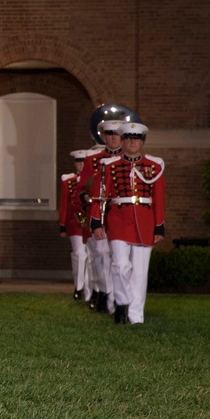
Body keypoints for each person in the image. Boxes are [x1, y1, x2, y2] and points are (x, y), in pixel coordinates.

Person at [90, 122, 165, 325]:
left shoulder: (154, 167)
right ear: (122, 141)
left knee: (140, 272)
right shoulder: (109, 166)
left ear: (142, 142)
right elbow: (99, 196)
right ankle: (122, 303)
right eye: (129, 138)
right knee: (120, 265)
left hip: (145, 222)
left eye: (137, 139)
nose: (133, 142)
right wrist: (97, 223)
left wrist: (159, 226)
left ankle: (135, 316)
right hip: (119, 220)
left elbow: (158, 198)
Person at [76, 121, 124, 313]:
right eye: (109, 134)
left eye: (117, 134)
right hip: (100, 214)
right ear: (103, 137)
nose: (113, 138)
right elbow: (80, 188)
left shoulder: (128, 160)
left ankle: (118, 297)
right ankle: (105, 292)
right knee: (101, 255)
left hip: (121, 214)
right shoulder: (93, 159)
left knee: (119, 258)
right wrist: (87, 196)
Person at [59, 149, 92, 302]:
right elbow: (64, 203)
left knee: (91, 256)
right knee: (79, 254)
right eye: (78, 162)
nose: (80, 165)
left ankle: (89, 288)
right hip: (75, 222)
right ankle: (78, 287)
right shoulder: (68, 180)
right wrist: (62, 225)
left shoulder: (92, 179)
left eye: (82, 162)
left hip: (91, 221)